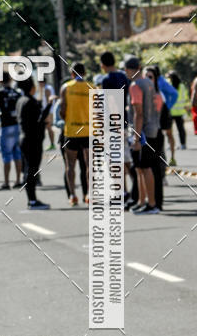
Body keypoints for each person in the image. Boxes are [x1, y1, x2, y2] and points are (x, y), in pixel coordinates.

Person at [124, 56, 159, 215]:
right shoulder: (149, 83)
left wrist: (137, 138)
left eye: (126, 69)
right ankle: (142, 201)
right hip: (152, 128)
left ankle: (151, 204)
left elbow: (138, 113)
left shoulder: (135, 85)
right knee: (139, 168)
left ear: (131, 69)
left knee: (144, 168)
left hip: (142, 131)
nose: (125, 72)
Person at [16, 77, 54, 209]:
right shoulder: (31, 102)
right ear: (32, 87)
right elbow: (39, 119)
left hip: (24, 139)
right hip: (32, 140)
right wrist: (49, 104)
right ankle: (32, 201)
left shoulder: (21, 100)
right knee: (32, 170)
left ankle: (31, 200)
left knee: (29, 170)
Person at [99, 51, 131, 203]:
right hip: (124, 121)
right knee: (125, 159)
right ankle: (131, 189)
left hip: (113, 124)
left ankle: (120, 192)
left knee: (114, 161)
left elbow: (111, 101)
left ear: (103, 65)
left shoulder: (107, 79)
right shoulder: (124, 76)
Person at [59, 62, 92, 206]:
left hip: (71, 130)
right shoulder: (92, 87)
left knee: (70, 165)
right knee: (89, 165)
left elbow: (62, 110)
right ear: (84, 73)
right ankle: (89, 194)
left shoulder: (66, 88)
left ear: (72, 74)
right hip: (88, 131)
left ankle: (72, 195)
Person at [0, 71, 22, 190]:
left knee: (6, 155)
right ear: (10, 80)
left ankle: (6, 182)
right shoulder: (17, 93)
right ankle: (18, 180)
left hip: (6, 126)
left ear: (0, 81)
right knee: (17, 153)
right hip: (17, 125)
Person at [144, 68, 166, 210]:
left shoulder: (157, 95)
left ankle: (156, 203)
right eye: (145, 76)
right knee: (147, 168)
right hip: (147, 134)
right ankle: (149, 200)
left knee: (154, 169)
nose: (147, 79)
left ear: (155, 79)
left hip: (155, 134)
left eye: (150, 77)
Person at [153, 64, 177, 164]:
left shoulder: (162, 82)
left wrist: (168, 106)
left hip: (164, 111)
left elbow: (174, 93)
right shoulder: (152, 81)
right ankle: (161, 157)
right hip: (154, 112)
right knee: (157, 134)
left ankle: (172, 157)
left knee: (169, 134)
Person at [168, 71, 189, 151]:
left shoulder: (169, 85)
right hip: (180, 111)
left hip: (170, 111)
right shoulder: (182, 86)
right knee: (181, 129)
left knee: (169, 129)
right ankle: (183, 144)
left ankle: (171, 144)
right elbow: (185, 97)